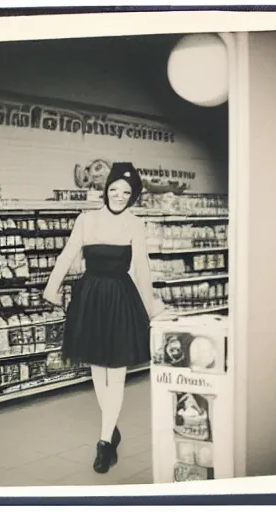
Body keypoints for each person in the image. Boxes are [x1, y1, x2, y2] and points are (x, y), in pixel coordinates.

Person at [43, 162, 164, 474]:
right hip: (92, 297)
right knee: (98, 368)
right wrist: (51, 287)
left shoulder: (135, 224)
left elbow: (141, 269)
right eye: (114, 190)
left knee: (117, 371)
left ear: (133, 195)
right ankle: (111, 428)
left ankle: (103, 444)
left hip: (120, 298)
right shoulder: (87, 219)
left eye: (126, 192)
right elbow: (68, 253)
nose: (119, 196)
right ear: (106, 190)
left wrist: (151, 308)